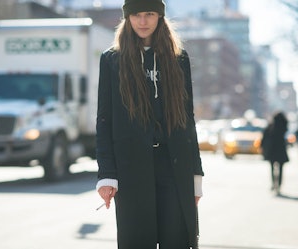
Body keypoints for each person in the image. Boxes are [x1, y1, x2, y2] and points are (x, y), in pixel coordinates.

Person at [95, 0, 204, 248]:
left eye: (149, 14)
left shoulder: (179, 59)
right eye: (136, 15)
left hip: (174, 166)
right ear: (127, 18)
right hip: (131, 167)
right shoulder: (113, 60)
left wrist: (195, 175)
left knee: (176, 240)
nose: (142, 22)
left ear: (160, 17)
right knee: (136, 241)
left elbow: (187, 119)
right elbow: (104, 120)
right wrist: (107, 174)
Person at [261, 112, 289, 194]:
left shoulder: (270, 127)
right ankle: (279, 184)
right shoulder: (283, 127)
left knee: (272, 168)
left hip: (272, 151)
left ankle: (274, 183)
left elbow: (264, 138)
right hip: (280, 151)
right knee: (280, 169)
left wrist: (262, 148)